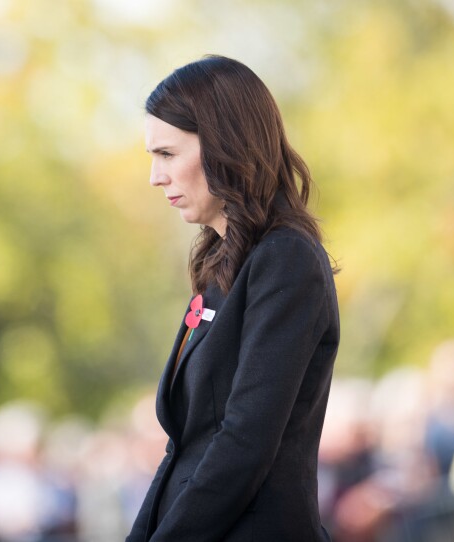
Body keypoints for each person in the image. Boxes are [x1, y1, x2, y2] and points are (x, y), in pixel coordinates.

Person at [127, 55, 340, 542]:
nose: (156, 177)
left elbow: (245, 443)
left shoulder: (287, 259)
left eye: (167, 154)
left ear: (224, 145)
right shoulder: (222, 262)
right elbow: (185, 448)